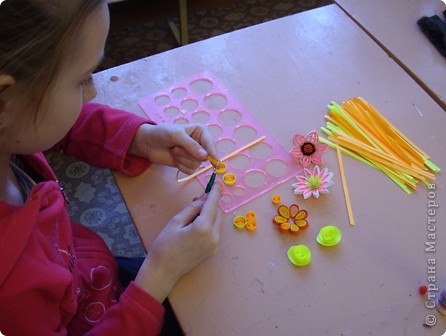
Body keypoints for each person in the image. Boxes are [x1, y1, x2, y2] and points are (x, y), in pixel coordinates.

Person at [0, 0, 222, 335]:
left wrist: (139, 139)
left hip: (91, 274)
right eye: (83, 79)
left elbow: (53, 125)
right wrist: (158, 276)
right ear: (4, 98)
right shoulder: (11, 289)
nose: (93, 92)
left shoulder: (13, 133)